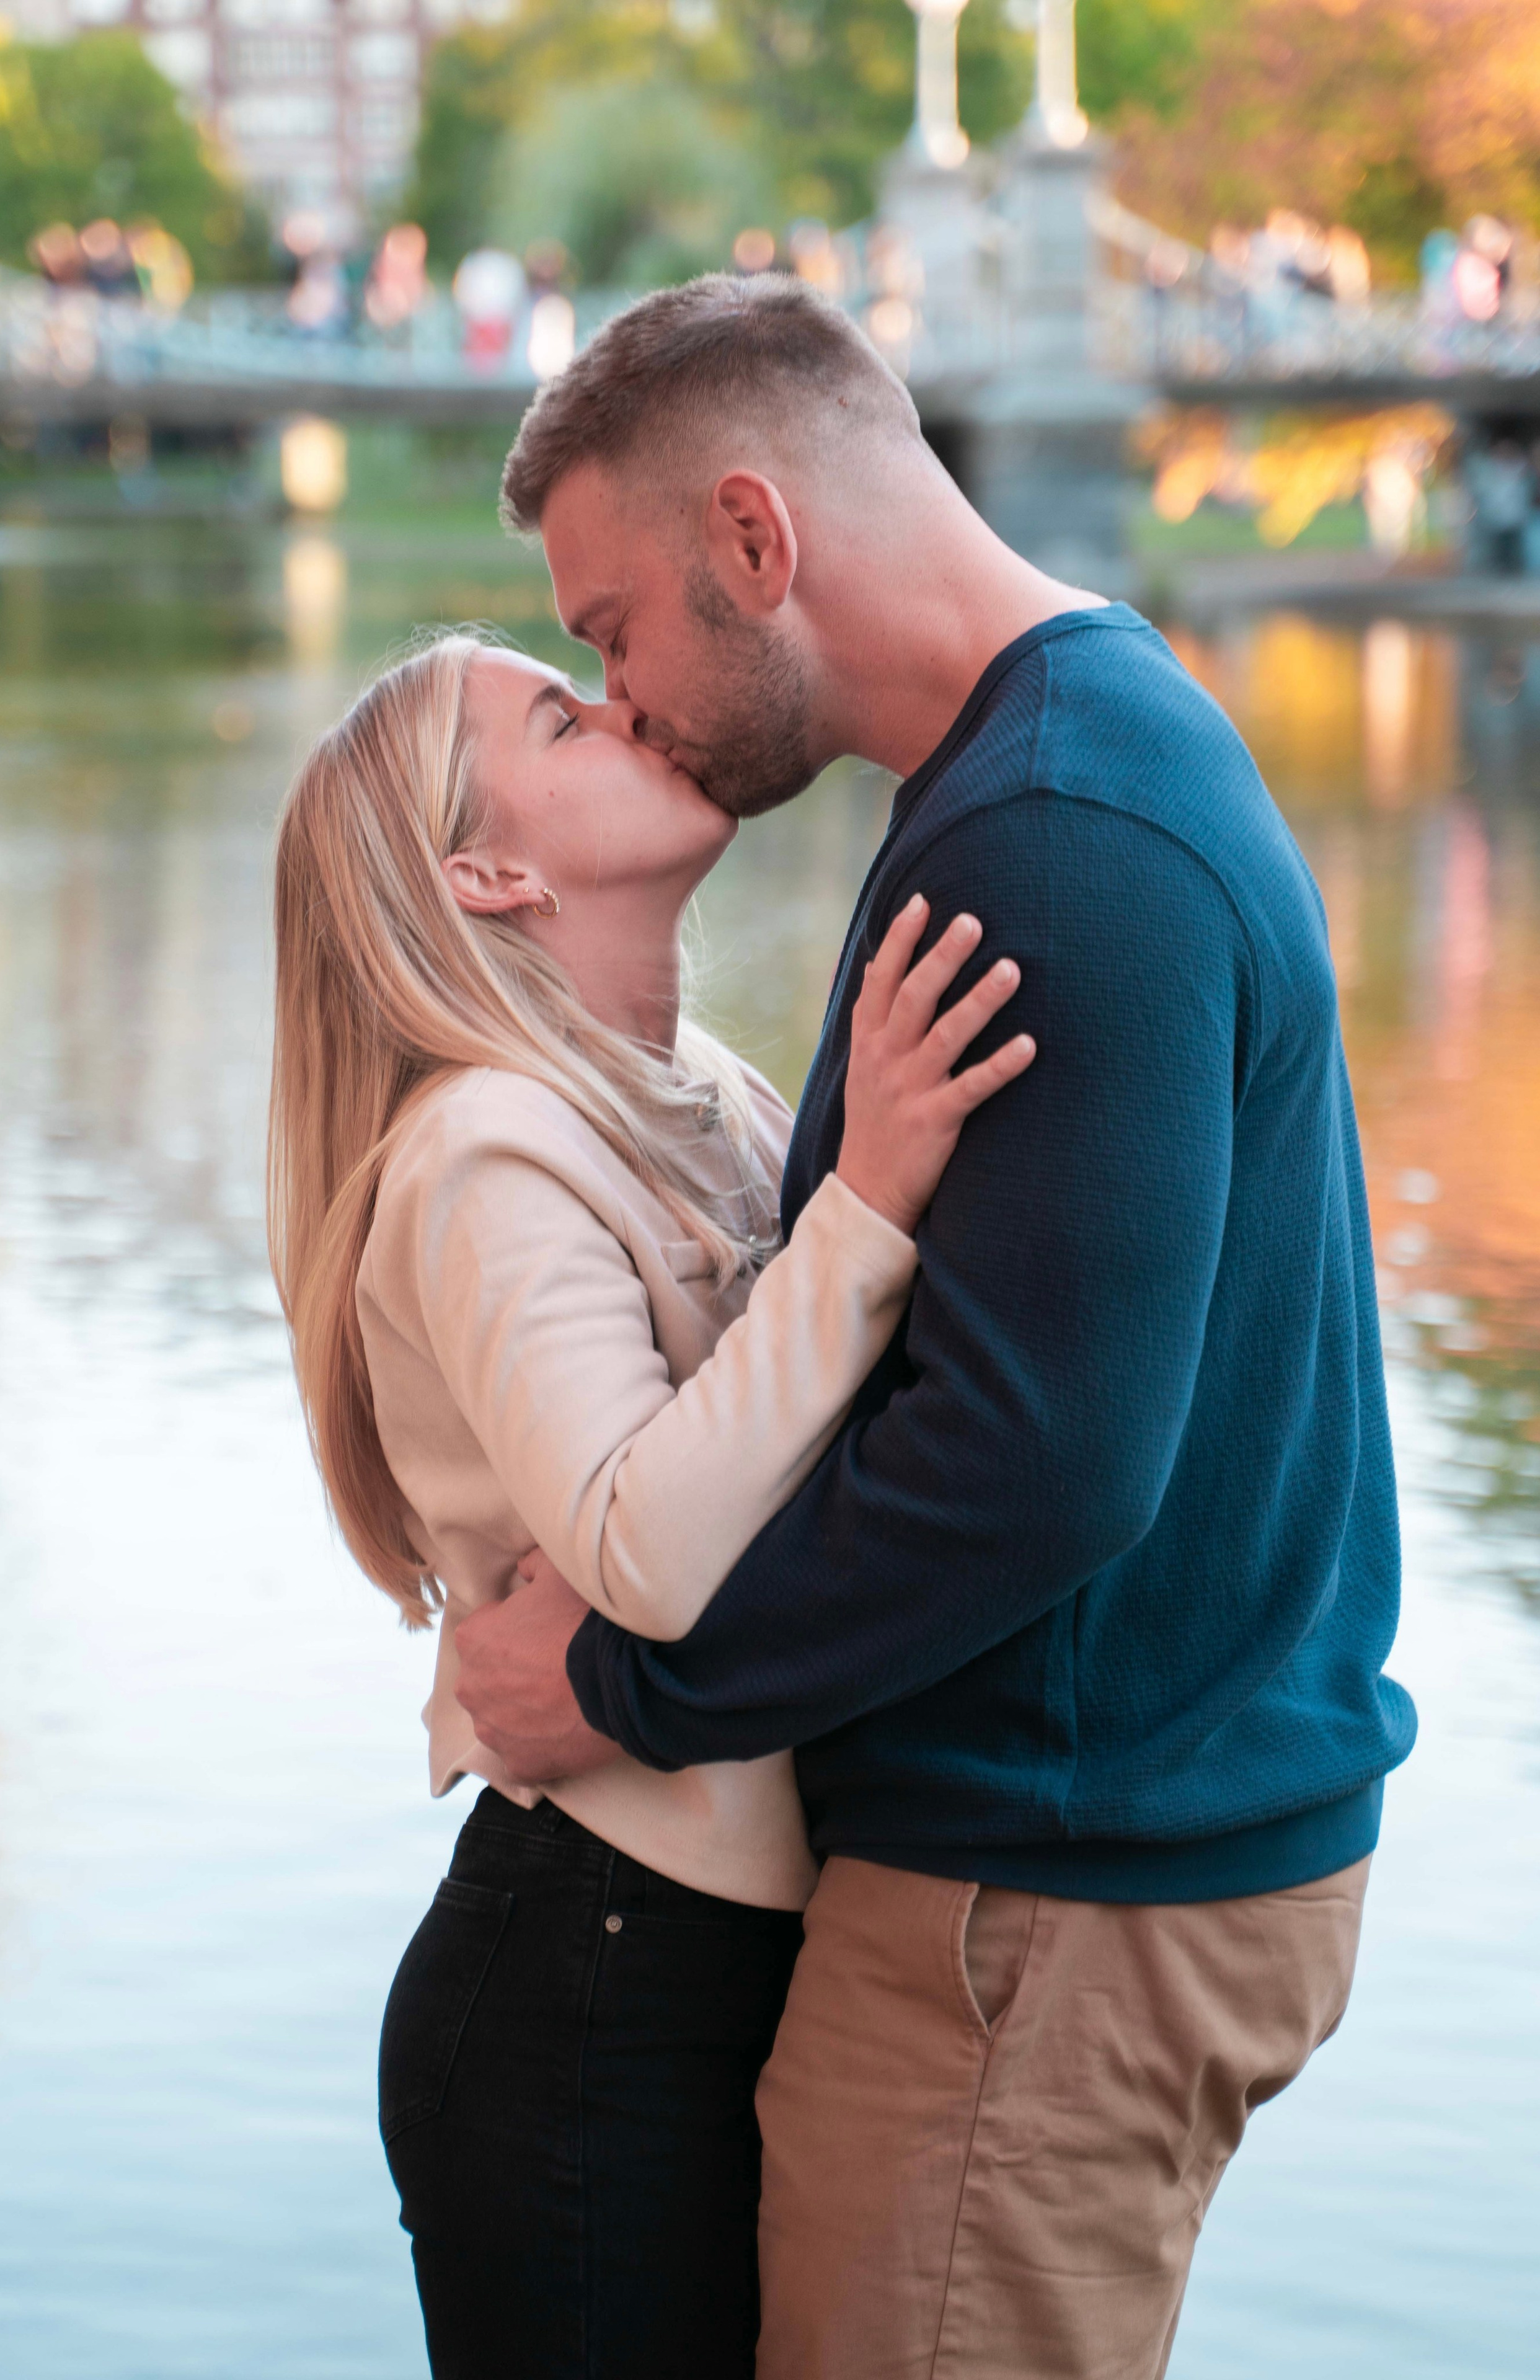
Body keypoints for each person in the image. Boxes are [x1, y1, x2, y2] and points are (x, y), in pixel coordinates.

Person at [458, 273, 1418, 2378]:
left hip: (1055, 1893)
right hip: (1098, 1848)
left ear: (754, 539)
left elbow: (1043, 1461)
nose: (616, 701)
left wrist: (624, 1681)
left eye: (611, 632)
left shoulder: (1054, 838)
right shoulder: (1070, 746)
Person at [266, 630, 1033, 2378]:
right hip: (587, 1992)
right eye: (560, 712)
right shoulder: (479, 1152)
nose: (621, 702)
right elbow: (646, 1548)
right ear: (490, 873)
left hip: (715, 1964)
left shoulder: (722, 1100)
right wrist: (878, 1199)